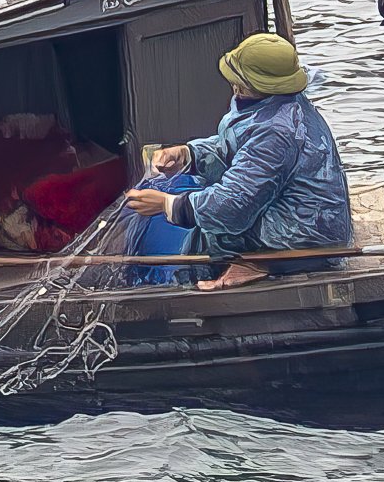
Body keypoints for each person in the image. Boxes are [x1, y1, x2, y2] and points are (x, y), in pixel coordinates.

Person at [124, 33, 353, 291]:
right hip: (310, 220)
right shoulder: (274, 106)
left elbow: (233, 206)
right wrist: (188, 155)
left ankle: (252, 266)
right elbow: (239, 150)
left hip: (307, 237)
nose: (234, 86)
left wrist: (169, 205)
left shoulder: (277, 131)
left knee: (209, 239)